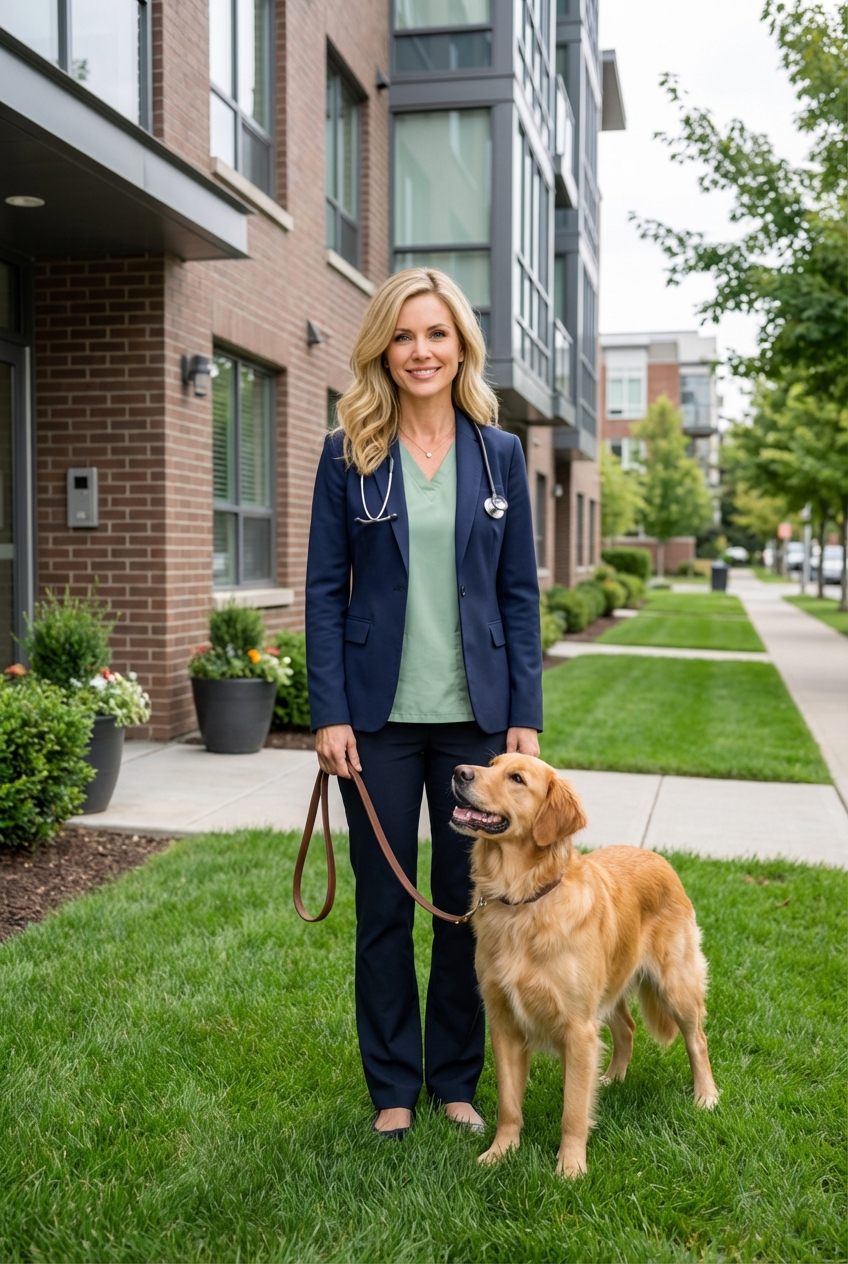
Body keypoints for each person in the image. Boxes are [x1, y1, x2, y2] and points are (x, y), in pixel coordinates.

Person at [305, 268, 542, 1139]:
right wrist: (328, 710)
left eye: (436, 335)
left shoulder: (501, 454)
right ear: (383, 347)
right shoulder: (349, 452)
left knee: (464, 906)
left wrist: (525, 715)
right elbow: (325, 590)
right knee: (384, 908)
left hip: (476, 720)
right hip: (376, 720)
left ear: (461, 346)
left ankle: (455, 1080)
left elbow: (519, 596)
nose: (420, 352)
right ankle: (392, 1090)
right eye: (404, 336)